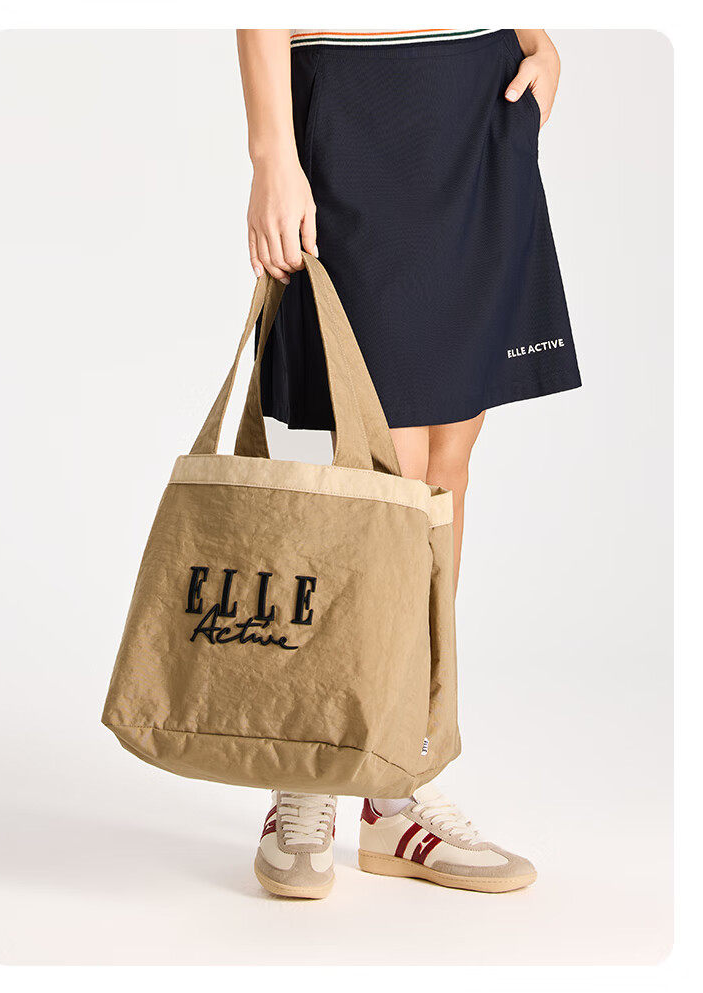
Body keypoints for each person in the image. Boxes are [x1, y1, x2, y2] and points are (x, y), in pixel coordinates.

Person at [238, 28, 581, 899]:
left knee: (443, 477)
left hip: (475, 101)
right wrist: (272, 151)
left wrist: (540, 44)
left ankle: (397, 780)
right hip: (354, 102)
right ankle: (311, 769)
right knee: (373, 478)